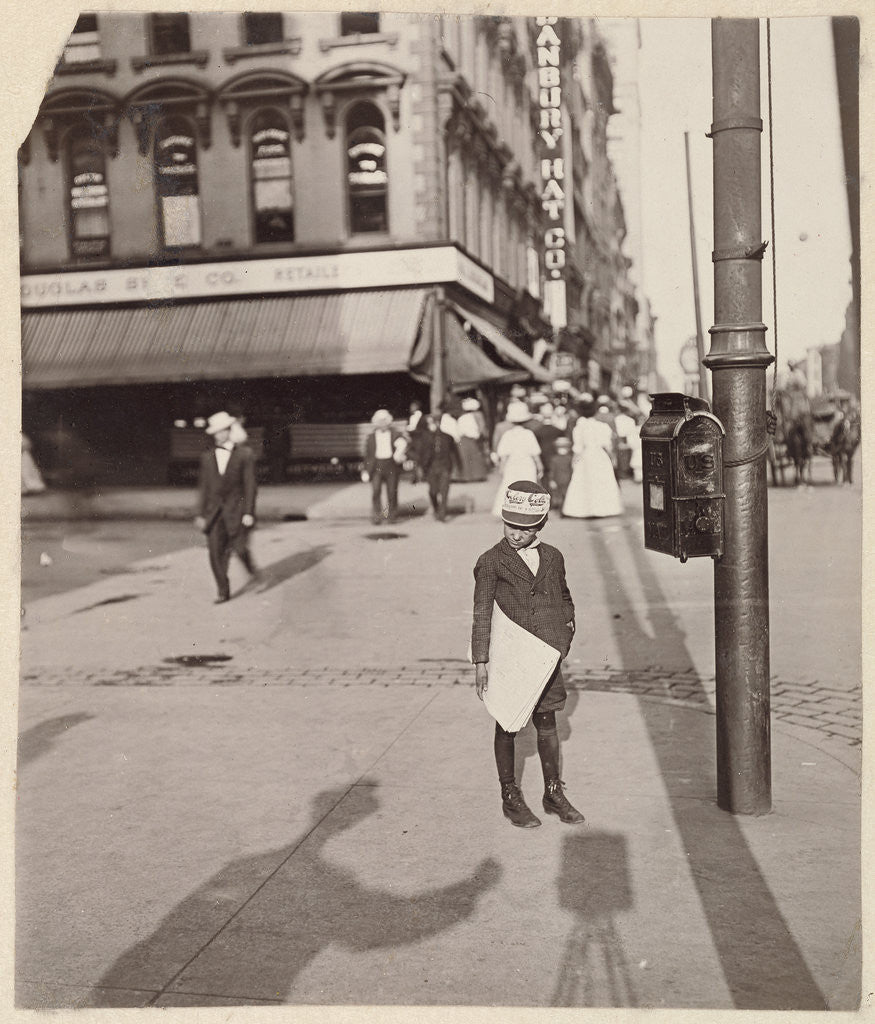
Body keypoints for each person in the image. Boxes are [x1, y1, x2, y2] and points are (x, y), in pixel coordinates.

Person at [472, 479, 584, 828]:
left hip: (546, 655)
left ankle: (553, 792)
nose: (516, 534)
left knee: (547, 721)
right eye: (510, 525)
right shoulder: (491, 561)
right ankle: (510, 795)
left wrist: (566, 630)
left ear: (541, 526)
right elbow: (481, 613)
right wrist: (481, 661)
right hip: (509, 657)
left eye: (525, 528)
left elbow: (563, 596)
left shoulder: (552, 556)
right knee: (507, 722)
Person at [194, 411, 259, 604]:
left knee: (239, 549)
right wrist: (199, 513)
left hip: (237, 511)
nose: (218, 436)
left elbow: (250, 486)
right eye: (216, 432)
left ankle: (249, 566)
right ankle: (223, 590)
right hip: (213, 513)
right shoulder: (207, 457)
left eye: (222, 431)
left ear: (230, 431)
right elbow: (204, 487)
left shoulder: (245, 455)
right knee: (215, 553)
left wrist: (249, 512)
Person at [562, 400, 623, 518]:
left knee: (584, 481)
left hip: (586, 455)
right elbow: (608, 446)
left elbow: (578, 447)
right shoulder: (602, 426)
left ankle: (585, 509)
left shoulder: (580, 427)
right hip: (600, 455)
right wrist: (612, 458)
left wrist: (574, 461)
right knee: (601, 481)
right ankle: (603, 509)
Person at [491, 401, 542, 516]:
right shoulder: (529, 434)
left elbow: (504, 455)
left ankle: (510, 508)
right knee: (528, 484)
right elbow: (535, 453)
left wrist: (501, 468)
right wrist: (540, 466)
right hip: (527, 463)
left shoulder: (507, 435)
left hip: (512, 464)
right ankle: (528, 509)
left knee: (510, 484)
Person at [362, 408, 406, 524]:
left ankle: (391, 515)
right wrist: (365, 471)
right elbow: (368, 455)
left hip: (391, 464)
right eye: (380, 421)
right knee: (376, 491)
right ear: (376, 422)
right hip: (376, 465)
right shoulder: (371, 437)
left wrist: (400, 451)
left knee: (392, 491)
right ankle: (377, 516)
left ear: (388, 421)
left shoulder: (395, 433)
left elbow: (404, 443)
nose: (383, 423)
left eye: (385, 421)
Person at [421, 411, 462, 521]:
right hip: (431, 467)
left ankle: (442, 514)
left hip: (444, 466)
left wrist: (459, 466)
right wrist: (423, 468)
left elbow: (455, 453)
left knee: (444, 490)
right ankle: (436, 507)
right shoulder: (426, 437)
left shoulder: (448, 437)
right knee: (433, 491)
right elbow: (423, 454)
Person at [456, 397, 489, 482]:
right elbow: (479, 428)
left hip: (463, 438)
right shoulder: (475, 416)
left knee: (466, 458)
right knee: (474, 457)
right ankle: (477, 475)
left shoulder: (462, 418)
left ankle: (466, 476)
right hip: (471, 438)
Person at [548, 435, 574, 510]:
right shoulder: (569, 458)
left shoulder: (555, 459)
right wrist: (551, 480)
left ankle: (563, 509)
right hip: (566, 479)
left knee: (562, 495)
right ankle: (564, 509)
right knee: (564, 495)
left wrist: (551, 480)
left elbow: (552, 471)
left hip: (560, 480)